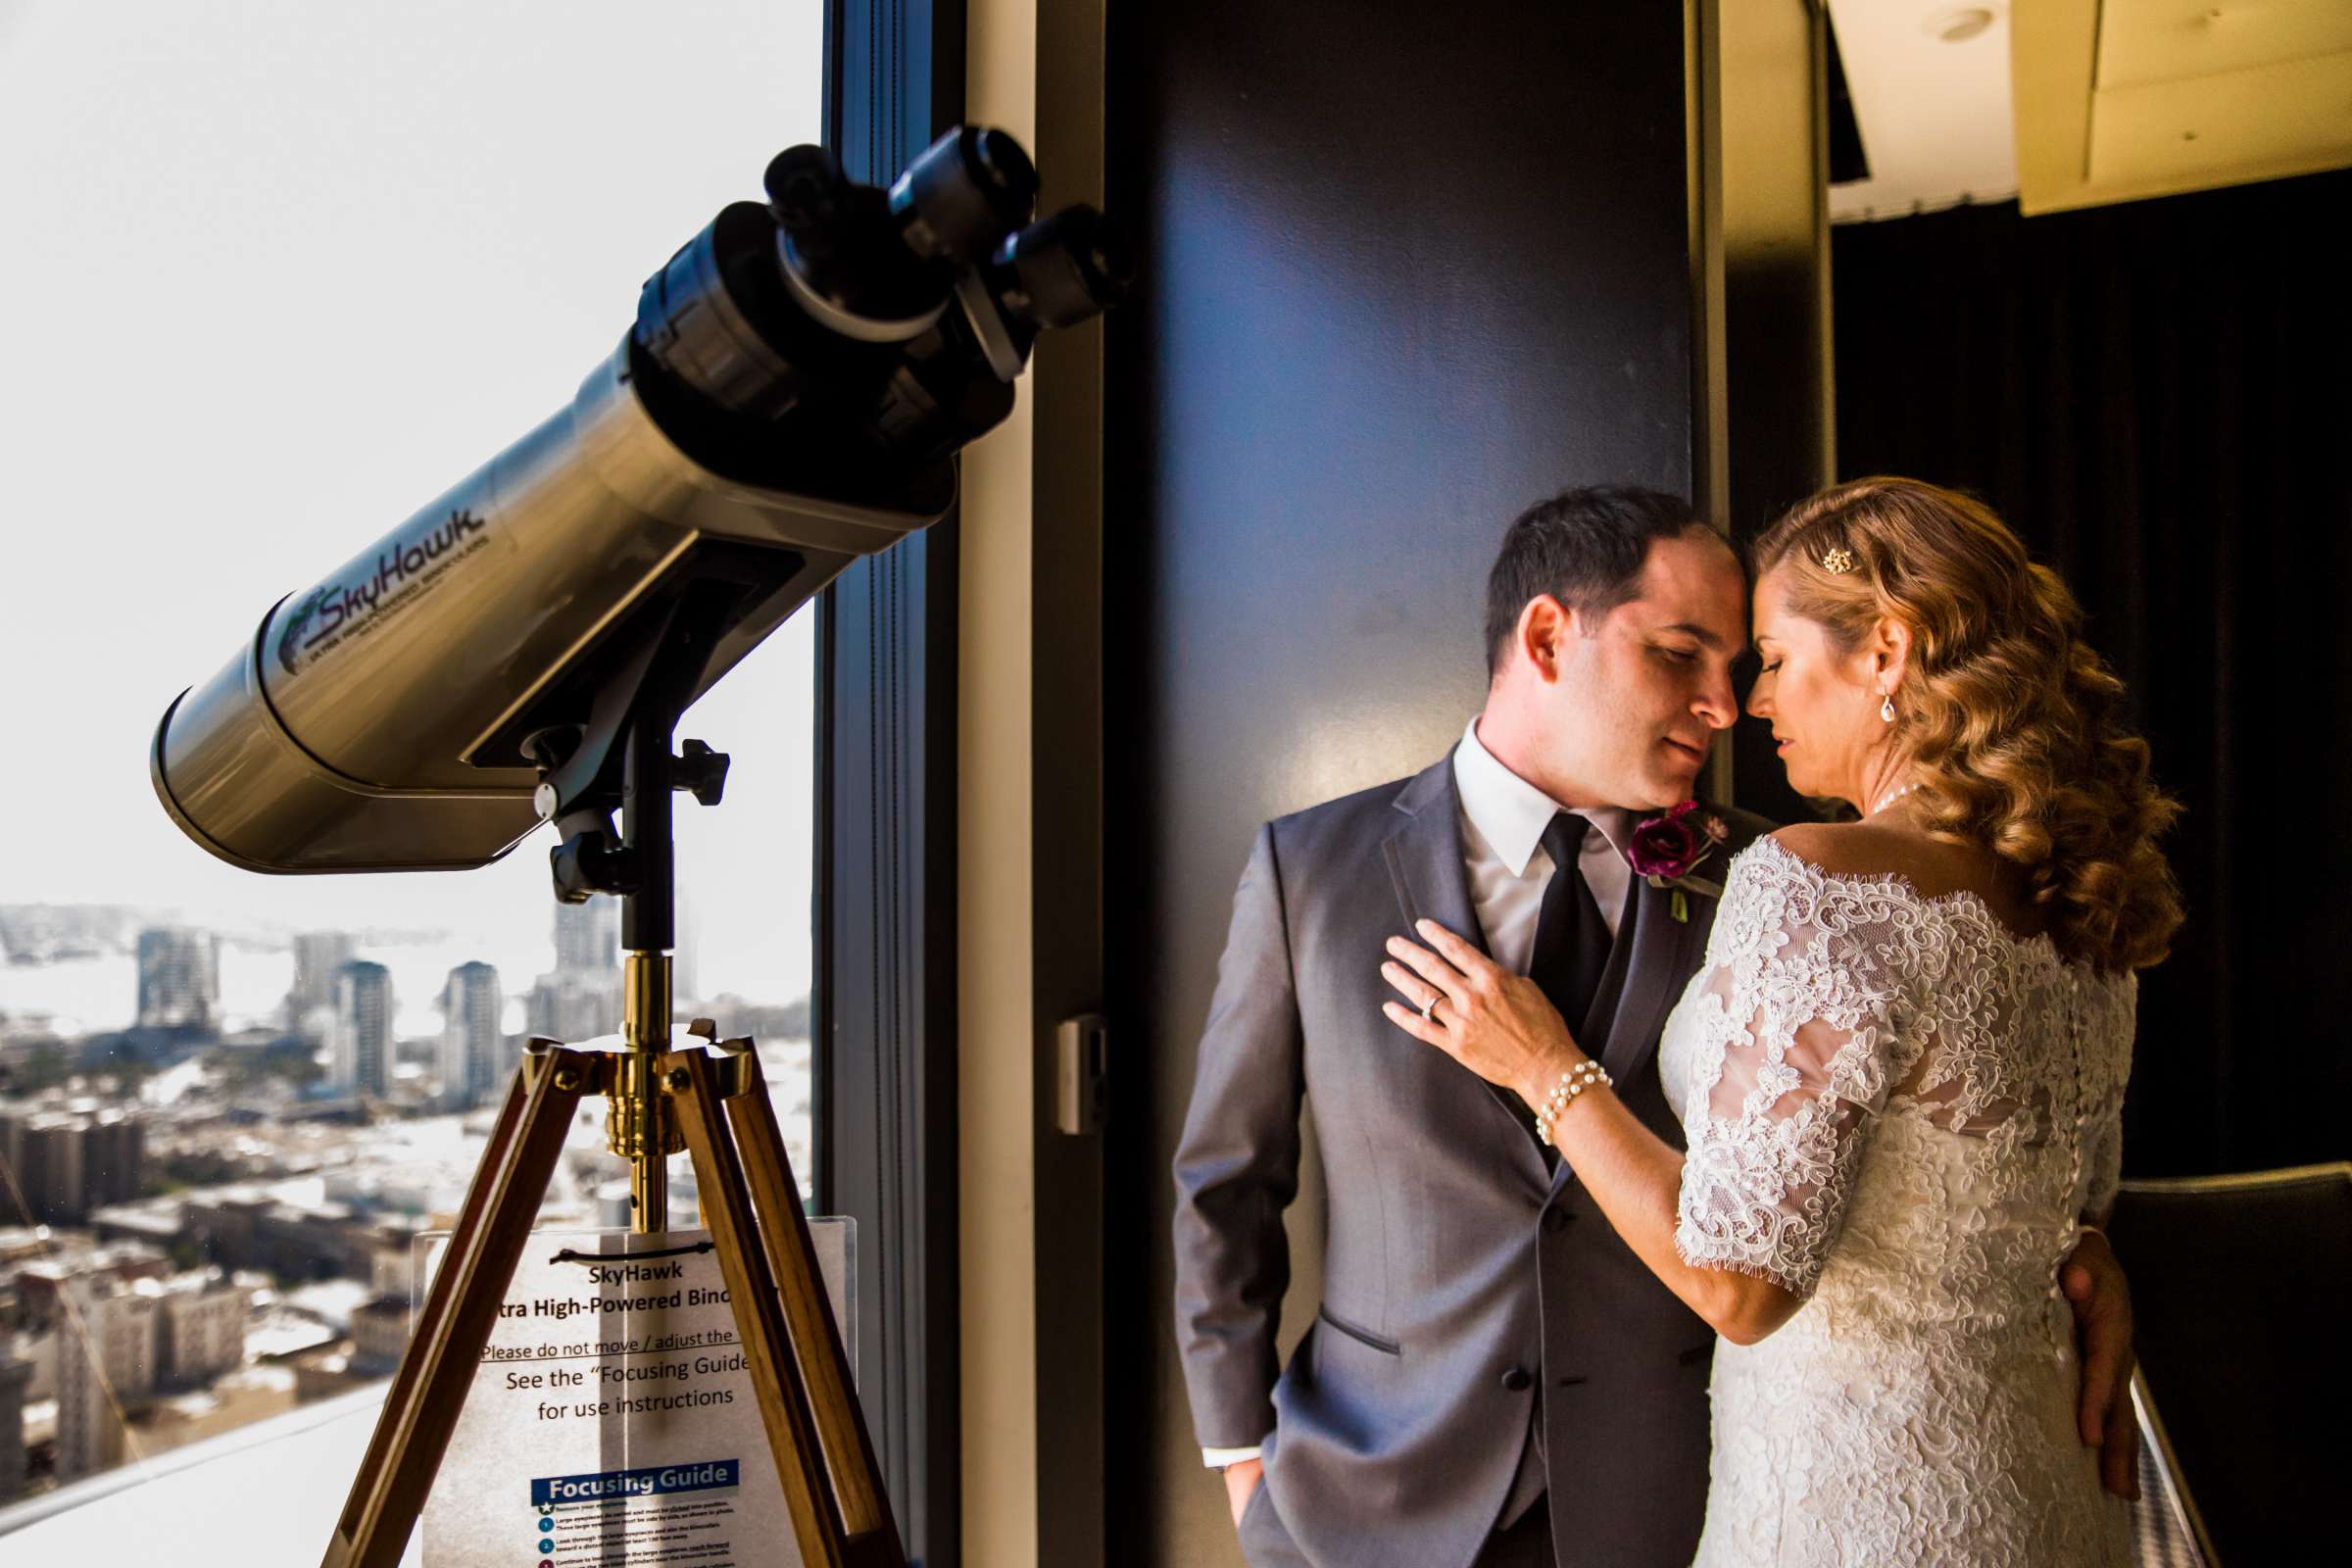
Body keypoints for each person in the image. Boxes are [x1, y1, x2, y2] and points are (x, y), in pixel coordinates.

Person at [1172, 485, 2142, 1568]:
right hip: (1370, 1501)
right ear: (1547, 635)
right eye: (1685, 655)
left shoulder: (1794, 875)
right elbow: (1228, 1180)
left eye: (1749, 662)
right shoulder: (1310, 870)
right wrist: (1241, 1457)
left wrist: (2081, 1249)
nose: (1727, 706)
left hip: (1679, 1500)